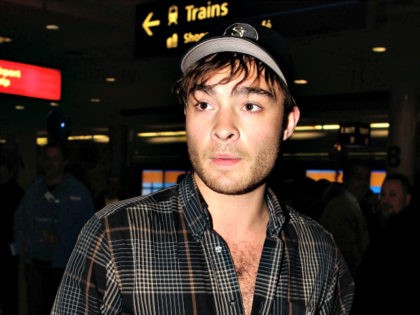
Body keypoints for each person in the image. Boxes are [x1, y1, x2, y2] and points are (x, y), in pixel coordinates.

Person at [52, 21, 354, 314]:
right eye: (204, 104)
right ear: (186, 114)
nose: (223, 128)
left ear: (288, 123)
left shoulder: (318, 251)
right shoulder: (116, 237)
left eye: (250, 105)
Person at [13, 141, 95, 315]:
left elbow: (90, 229)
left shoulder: (78, 192)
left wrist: (61, 239)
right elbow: (20, 219)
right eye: (47, 159)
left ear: (65, 162)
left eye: (55, 158)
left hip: (64, 267)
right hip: (36, 264)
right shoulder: (35, 190)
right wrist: (22, 242)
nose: (50, 163)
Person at [351, 172, 418, 314]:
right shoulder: (382, 228)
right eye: (383, 194)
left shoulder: (400, 234)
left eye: (392, 195)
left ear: (407, 199)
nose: (385, 200)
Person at [319, 159, 371, 277]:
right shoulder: (342, 206)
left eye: (367, 178)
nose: (364, 183)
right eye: (358, 178)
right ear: (346, 180)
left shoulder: (351, 204)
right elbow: (347, 250)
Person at [0, 144, 25, 315]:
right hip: (8, 250)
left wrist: (12, 249)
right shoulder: (17, 193)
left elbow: (23, 226)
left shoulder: (17, 194)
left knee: (9, 297)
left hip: (8, 252)